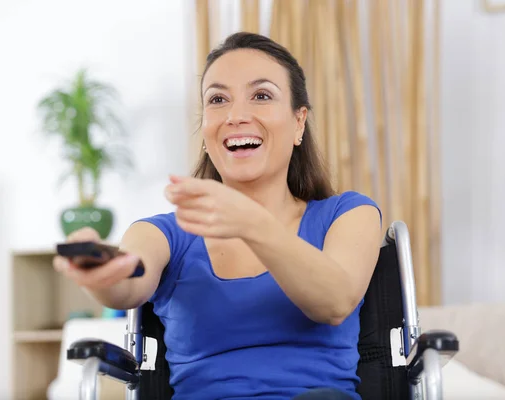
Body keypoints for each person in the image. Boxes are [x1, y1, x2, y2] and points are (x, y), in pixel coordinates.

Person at [53, 32, 382, 400]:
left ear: (298, 122)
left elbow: (334, 301)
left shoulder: (348, 214)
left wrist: (249, 222)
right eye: (218, 100)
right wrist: (97, 272)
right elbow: (128, 280)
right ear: (206, 132)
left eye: (261, 95)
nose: (236, 116)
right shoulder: (167, 234)